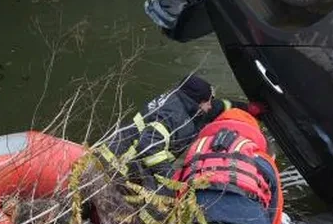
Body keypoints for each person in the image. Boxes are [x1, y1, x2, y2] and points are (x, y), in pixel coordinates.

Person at [95, 74, 249, 192]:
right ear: (197, 101)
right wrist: (172, 179)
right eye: (207, 101)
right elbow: (149, 146)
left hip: (111, 150)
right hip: (120, 165)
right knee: (161, 201)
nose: (210, 106)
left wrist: (246, 108)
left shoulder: (180, 99)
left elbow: (215, 106)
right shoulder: (175, 116)